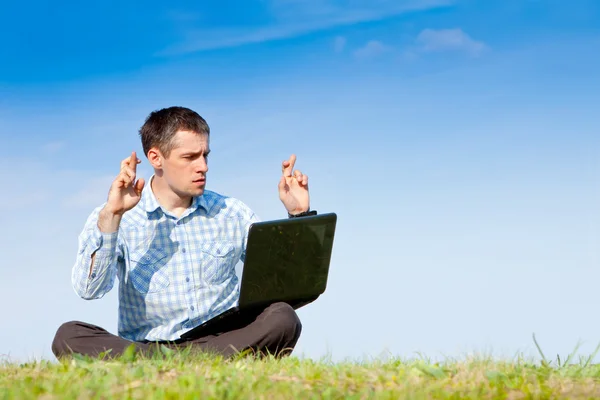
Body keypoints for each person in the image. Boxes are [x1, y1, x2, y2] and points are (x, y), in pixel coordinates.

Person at [52, 106, 315, 360]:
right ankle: (190, 362)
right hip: (150, 347)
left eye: (205, 155)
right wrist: (112, 215)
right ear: (156, 158)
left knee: (283, 317)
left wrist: (298, 215)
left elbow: (287, 284)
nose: (203, 166)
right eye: (189, 157)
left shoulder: (231, 212)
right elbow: (89, 290)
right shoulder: (117, 215)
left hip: (222, 338)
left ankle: (173, 365)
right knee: (69, 335)